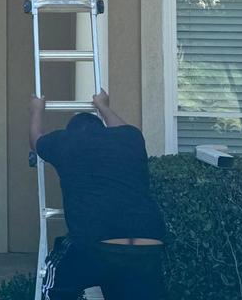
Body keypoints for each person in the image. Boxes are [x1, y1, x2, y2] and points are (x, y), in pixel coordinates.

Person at [29, 90, 167, 300]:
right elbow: (121, 127)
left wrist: (36, 110)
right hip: (148, 242)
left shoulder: (66, 142)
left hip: (96, 241)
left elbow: (36, 140)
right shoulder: (131, 138)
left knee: (56, 281)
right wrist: (103, 106)